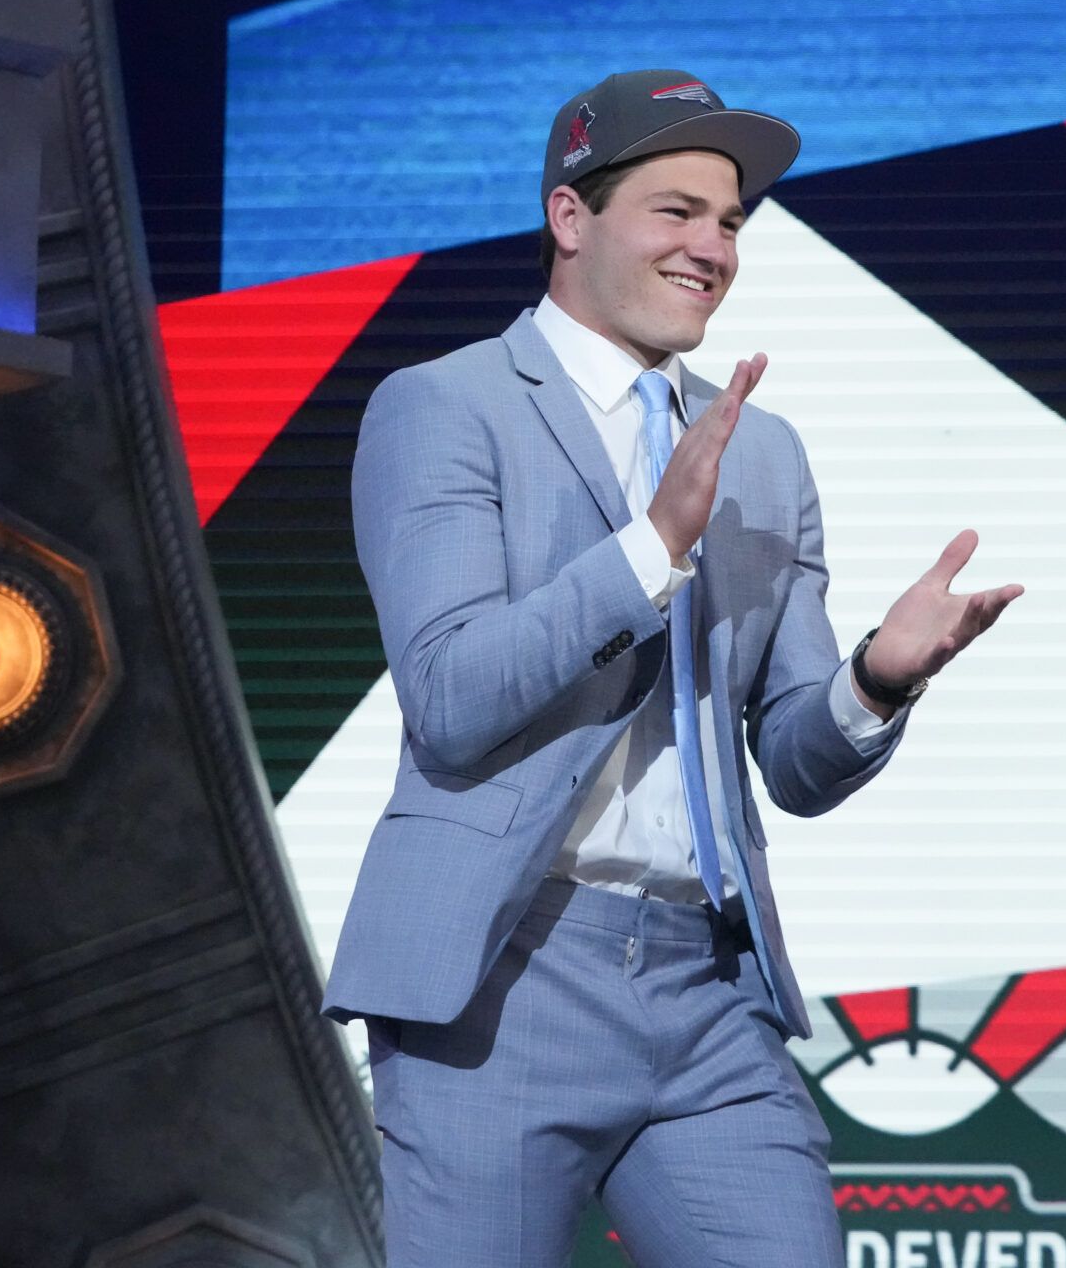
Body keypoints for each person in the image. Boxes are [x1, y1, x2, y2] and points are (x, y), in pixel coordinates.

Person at [319, 69, 1022, 1268]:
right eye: (677, 210)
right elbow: (449, 698)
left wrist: (878, 680)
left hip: (708, 985)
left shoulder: (765, 453)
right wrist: (649, 549)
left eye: (732, 221)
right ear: (570, 217)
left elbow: (794, 766)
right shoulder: (444, 407)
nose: (713, 247)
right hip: (503, 979)